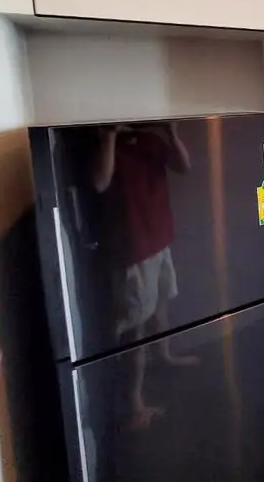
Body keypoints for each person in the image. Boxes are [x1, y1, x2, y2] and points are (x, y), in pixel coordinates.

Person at [92, 121, 197, 430]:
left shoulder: (150, 139)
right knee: (134, 328)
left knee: (161, 306)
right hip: (132, 250)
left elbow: (184, 166)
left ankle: (164, 356)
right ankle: (135, 402)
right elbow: (99, 183)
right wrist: (110, 134)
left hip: (160, 241)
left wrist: (172, 132)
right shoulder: (103, 142)